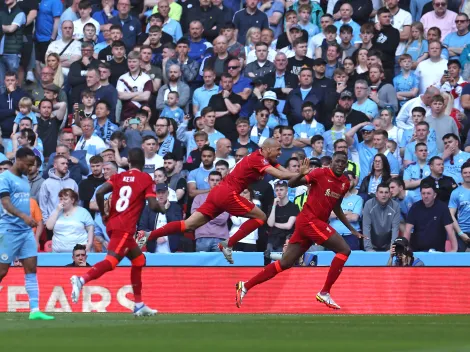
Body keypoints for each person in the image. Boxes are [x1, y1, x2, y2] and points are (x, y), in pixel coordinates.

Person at [235, 152, 364, 310]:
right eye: (337, 161)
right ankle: (325, 292)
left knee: (285, 263)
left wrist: (352, 229)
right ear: (331, 162)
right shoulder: (319, 173)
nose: (340, 164)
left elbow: (336, 207)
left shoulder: (344, 182)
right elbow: (292, 184)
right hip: (310, 220)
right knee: (344, 250)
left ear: (346, 165)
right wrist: (300, 174)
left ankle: (246, 285)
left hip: (311, 224)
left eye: (343, 162)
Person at [137, 138, 299, 263]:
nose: (279, 153)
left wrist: (299, 175)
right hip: (228, 193)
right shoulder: (258, 160)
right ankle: (228, 243)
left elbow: (283, 171)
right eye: (278, 150)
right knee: (261, 217)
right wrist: (303, 174)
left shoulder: (263, 157)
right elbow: (282, 175)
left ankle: (148, 234)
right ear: (268, 149)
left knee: (188, 225)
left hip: (217, 192)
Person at [70, 148, 165, 316]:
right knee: (111, 261)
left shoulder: (118, 177)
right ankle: (81, 279)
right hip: (124, 227)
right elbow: (152, 204)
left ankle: (139, 305)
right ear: (143, 163)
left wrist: (104, 213)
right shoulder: (145, 178)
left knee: (139, 261)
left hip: (115, 224)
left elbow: (99, 192)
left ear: (128, 162)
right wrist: (162, 208)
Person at [0, 148, 54, 320]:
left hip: (25, 232)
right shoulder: (4, 178)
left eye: (33, 165)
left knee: (31, 269)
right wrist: (24, 216)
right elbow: (6, 203)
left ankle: (35, 310)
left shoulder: (24, 180)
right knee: (2, 271)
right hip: (8, 230)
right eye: (29, 164)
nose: (31, 168)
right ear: (19, 160)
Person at [404, 181, 458, 252]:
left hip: (437, 252)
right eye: (423, 193)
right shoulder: (415, 207)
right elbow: (407, 230)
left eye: (428, 193)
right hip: (417, 251)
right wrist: (405, 248)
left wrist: (454, 249)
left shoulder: (442, 208)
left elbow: (450, 230)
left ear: (434, 195)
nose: (426, 196)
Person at [46, 188, 94, 253]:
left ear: (72, 200)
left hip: (79, 253)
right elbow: (49, 227)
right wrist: (57, 211)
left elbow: (90, 229)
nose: (62, 201)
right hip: (58, 253)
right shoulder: (56, 212)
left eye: (65, 199)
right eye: (60, 199)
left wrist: (89, 244)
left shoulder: (83, 212)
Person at [362, 183, 401, 251]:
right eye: (381, 192)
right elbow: (366, 228)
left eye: (386, 192)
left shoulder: (395, 206)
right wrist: (368, 248)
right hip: (372, 244)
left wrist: (392, 248)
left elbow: (395, 229)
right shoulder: (368, 204)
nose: (383, 195)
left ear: (389, 194)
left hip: (388, 246)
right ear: (376, 194)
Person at [449, 162, 470, 251]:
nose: (468, 175)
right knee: (459, 261)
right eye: (465, 173)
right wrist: (460, 233)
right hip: (463, 231)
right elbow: (451, 215)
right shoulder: (455, 192)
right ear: (461, 174)